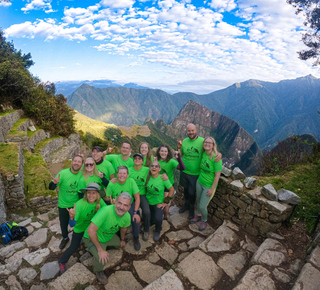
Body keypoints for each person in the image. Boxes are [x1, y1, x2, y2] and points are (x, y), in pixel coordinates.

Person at [83, 192, 132, 285]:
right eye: (119, 203)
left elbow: (124, 228)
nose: (121, 207)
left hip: (108, 235)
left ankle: (102, 247)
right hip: (91, 237)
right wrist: (100, 250)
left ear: (129, 207)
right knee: (101, 259)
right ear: (115, 202)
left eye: (125, 205)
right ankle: (98, 271)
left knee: (118, 244)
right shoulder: (105, 211)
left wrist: (122, 240)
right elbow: (90, 231)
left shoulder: (127, 216)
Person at [58, 183, 106, 274]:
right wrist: (71, 217)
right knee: (73, 247)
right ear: (86, 193)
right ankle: (62, 261)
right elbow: (72, 225)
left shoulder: (100, 202)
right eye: (89, 193)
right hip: (80, 229)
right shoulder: (80, 205)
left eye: (94, 193)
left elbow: (107, 213)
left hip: (92, 229)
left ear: (97, 194)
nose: (91, 195)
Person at [177, 123, 221, 219]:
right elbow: (181, 154)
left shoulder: (202, 141)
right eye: (189, 131)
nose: (191, 132)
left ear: (196, 130)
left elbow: (210, 148)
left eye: (192, 130)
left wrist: (219, 154)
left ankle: (192, 209)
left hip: (195, 173)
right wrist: (179, 149)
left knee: (192, 192)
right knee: (186, 190)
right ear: (186, 131)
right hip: (184, 171)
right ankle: (186, 205)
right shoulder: (184, 141)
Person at [49, 155, 84, 250]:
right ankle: (65, 238)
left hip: (76, 206)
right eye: (75, 161)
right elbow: (50, 188)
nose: (76, 163)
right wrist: (54, 183)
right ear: (72, 162)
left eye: (79, 162)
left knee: (77, 223)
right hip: (63, 205)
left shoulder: (82, 175)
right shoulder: (63, 173)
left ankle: (78, 238)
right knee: (63, 224)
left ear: (82, 164)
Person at [106, 166, 141, 250]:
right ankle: (115, 236)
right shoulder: (112, 184)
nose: (122, 175)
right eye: (120, 173)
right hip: (116, 205)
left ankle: (136, 238)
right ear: (117, 174)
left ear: (128, 175)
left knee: (134, 218)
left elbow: (137, 197)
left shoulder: (131, 181)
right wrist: (111, 202)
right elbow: (107, 198)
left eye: (124, 173)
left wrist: (135, 212)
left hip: (129, 204)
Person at [192, 137, 222, 230]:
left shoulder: (216, 158)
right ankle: (199, 215)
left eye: (210, 142)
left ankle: (204, 220)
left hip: (208, 186)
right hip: (200, 181)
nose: (207, 144)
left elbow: (217, 176)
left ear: (213, 145)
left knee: (202, 206)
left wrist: (212, 189)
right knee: (198, 200)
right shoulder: (203, 154)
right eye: (205, 142)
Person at [145, 161, 174, 242]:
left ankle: (158, 230)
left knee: (158, 219)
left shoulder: (163, 178)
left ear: (159, 169)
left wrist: (165, 202)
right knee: (150, 219)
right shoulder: (147, 177)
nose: (154, 167)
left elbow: (171, 189)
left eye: (156, 166)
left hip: (158, 203)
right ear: (150, 168)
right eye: (152, 165)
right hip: (148, 202)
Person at [156, 144, 185, 219]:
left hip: (167, 185)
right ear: (159, 152)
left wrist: (178, 158)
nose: (163, 153)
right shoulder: (156, 160)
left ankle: (165, 217)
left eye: (165, 151)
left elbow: (182, 168)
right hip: (157, 184)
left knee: (166, 202)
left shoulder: (171, 161)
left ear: (168, 153)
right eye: (162, 151)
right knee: (158, 200)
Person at [128, 153, 150, 240]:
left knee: (147, 212)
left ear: (142, 161)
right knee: (133, 213)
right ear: (133, 160)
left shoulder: (146, 169)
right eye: (135, 158)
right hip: (132, 195)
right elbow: (122, 177)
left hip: (142, 194)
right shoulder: (129, 170)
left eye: (139, 158)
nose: (137, 160)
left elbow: (155, 171)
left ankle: (146, 230)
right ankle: (135, 232)